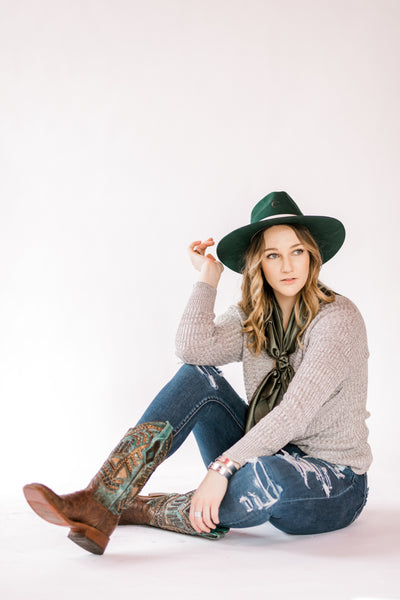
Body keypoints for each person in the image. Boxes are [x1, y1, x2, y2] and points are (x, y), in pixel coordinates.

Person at [23, 191, 372, 555]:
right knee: (198, 377)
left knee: (266, 477)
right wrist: (208, 277)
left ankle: (140, 508)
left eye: (297, 251)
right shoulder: (252, 317)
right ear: (258, 264)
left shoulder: (337, 319)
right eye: (273, 255)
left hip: (334, 479)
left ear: (312, 257)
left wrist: (222, 468)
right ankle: (102, 500)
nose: (287, 266)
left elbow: (295, 412)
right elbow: (191, 349)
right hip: (264, 449)